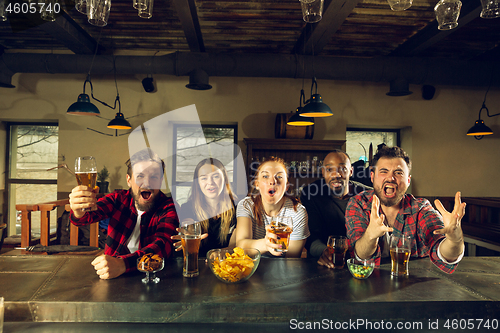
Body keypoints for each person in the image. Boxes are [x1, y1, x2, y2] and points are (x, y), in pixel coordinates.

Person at [345, 146, 465, 274]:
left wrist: (454, 240)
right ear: (372, 177)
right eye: (384, 171)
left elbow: (443, 251)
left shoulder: (420, 209)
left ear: (408, 181)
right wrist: (370, 235)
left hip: (415, 287)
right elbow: (360, 254)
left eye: (398, 173)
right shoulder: (358, 204)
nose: (390, 178)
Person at [69, 148, 179, 279]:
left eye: (154, 177)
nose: (147, 182)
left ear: (161, 181)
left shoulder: (169, 206)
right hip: (113, 277)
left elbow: (163, 244)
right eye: (140, 176)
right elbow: (83, 218)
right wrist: (77, 210)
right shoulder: (117, 199)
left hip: (153, 277)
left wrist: (123, 264)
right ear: (129, 180)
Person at [301, 150, 371, 268]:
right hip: (321, 264)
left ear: (351, 171)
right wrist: (324, 252)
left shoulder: (366, 194)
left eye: (342, 169)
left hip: (360, 263)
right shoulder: (310, 193)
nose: (336, 175)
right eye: (329, 170)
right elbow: (311, 235)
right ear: (323, 172)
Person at [236, 156, 309, 258]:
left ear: (286, 186)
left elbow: (292, 259)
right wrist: (266, 244)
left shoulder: (298, 212)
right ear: (257, 184)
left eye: (279, 177)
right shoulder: (246, 205)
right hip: (252, 268)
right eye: (265, 176)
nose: (272, 181)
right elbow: (240, 246)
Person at [171, 158, 237, 257]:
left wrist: (220, 254)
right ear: (197, 183)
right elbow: (188, 227)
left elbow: (235, 245)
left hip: (226, 266)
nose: (210, 182)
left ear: (224, 179)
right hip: (197, 265)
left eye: (215, 176)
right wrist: (189, 235)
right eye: (203, 178)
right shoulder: (187, 208)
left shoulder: (237, 207)